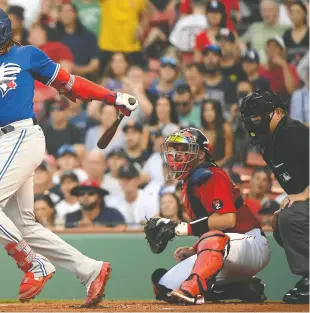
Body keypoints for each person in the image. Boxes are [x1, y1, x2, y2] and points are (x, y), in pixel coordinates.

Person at [0, 6, 139, 306]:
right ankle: (90, 270)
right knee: (25, 227)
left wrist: (112, 97)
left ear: (3, 30)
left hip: (21, 136)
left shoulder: (26, 55)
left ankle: (34, 264)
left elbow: (70, 83)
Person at [150, 127, 270, 304]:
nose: (177, 154)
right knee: (164, 286)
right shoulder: (189, 182)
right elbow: (212, 227)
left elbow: (228, 219)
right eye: (176, 149)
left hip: (250, 244)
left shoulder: (211, 175)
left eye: (184, 149)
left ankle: (192, 291)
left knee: (212, 244)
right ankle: (242, 288)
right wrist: (195, 248)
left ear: (200, 154)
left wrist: (181, 229)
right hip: (225, 250)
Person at [240, 89, 309, 304]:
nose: (254, 122)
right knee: (282, 222)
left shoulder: (295, 133)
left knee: (293, 217)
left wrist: (305, 194)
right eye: (250, 118)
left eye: (258, 116)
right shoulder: (269, 143)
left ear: (278, 112)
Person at [108, 163, 160, 228]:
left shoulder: (150, 201)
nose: (125, 182)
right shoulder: (112, 203)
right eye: (122, 179)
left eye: (129, 178)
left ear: (138, 180)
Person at [56, 3, 100, 79]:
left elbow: (95, 65)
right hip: (57, 80)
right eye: (62, 11)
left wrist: (76, 69)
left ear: (75, 14)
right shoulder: (53, 36)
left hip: (83, 79)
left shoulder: (88, 36)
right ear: (59, 15)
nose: (65, 14)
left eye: (69, 11)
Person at [241, 0, 289, 64]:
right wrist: (245, 52)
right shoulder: (255, 27)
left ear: (277, 12)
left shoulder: (285, 28)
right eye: (264, 11)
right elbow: (240, 41)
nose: (266, 14)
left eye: (270, 10)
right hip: (255, 66)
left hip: (274, 67)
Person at [259, 36, 301, 102]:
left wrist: (284, 64)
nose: (271, 49)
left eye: (275, 47)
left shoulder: (290, 68)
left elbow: (293, 91)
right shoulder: (259, 68)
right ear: (265, 51)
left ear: (282, 51)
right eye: (269, 47)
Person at [200, 99, 233, 168]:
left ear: (217, 112)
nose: (208, 113)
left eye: (211, 110)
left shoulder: (226, 128)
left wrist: (213, 166)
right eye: (206, 110)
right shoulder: (201, 131)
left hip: (222, 167)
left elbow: (228, 157)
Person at [283, 1, 309, 66]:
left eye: (298, 12)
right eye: (292, 12)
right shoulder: (286, 34)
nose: (295, 15)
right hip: (290, 71)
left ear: (305, 13)